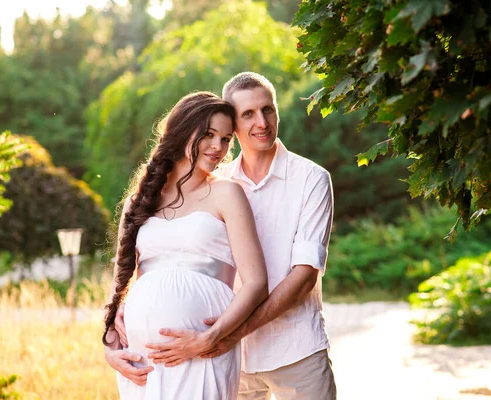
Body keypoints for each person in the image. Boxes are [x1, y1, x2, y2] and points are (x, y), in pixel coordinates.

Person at [115, 72, 337, 399]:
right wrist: (130, 305)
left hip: (294, 349)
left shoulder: (311, 179)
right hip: (227, 358)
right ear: (233, 123)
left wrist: (228, 334)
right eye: (248, 114)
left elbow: (304, 276)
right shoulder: (212, 183)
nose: (261, 122)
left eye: (268, 109)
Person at [102, 91, 269, 400]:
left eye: (226, 139)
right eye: (208, 134)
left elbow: (257, 282)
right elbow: (119, 286)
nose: (218, 147)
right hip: (143, 362)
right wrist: (109, 351)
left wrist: (210, 338)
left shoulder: (227, 194)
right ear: (181, 132)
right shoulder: (138, 202)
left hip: (204, 350)